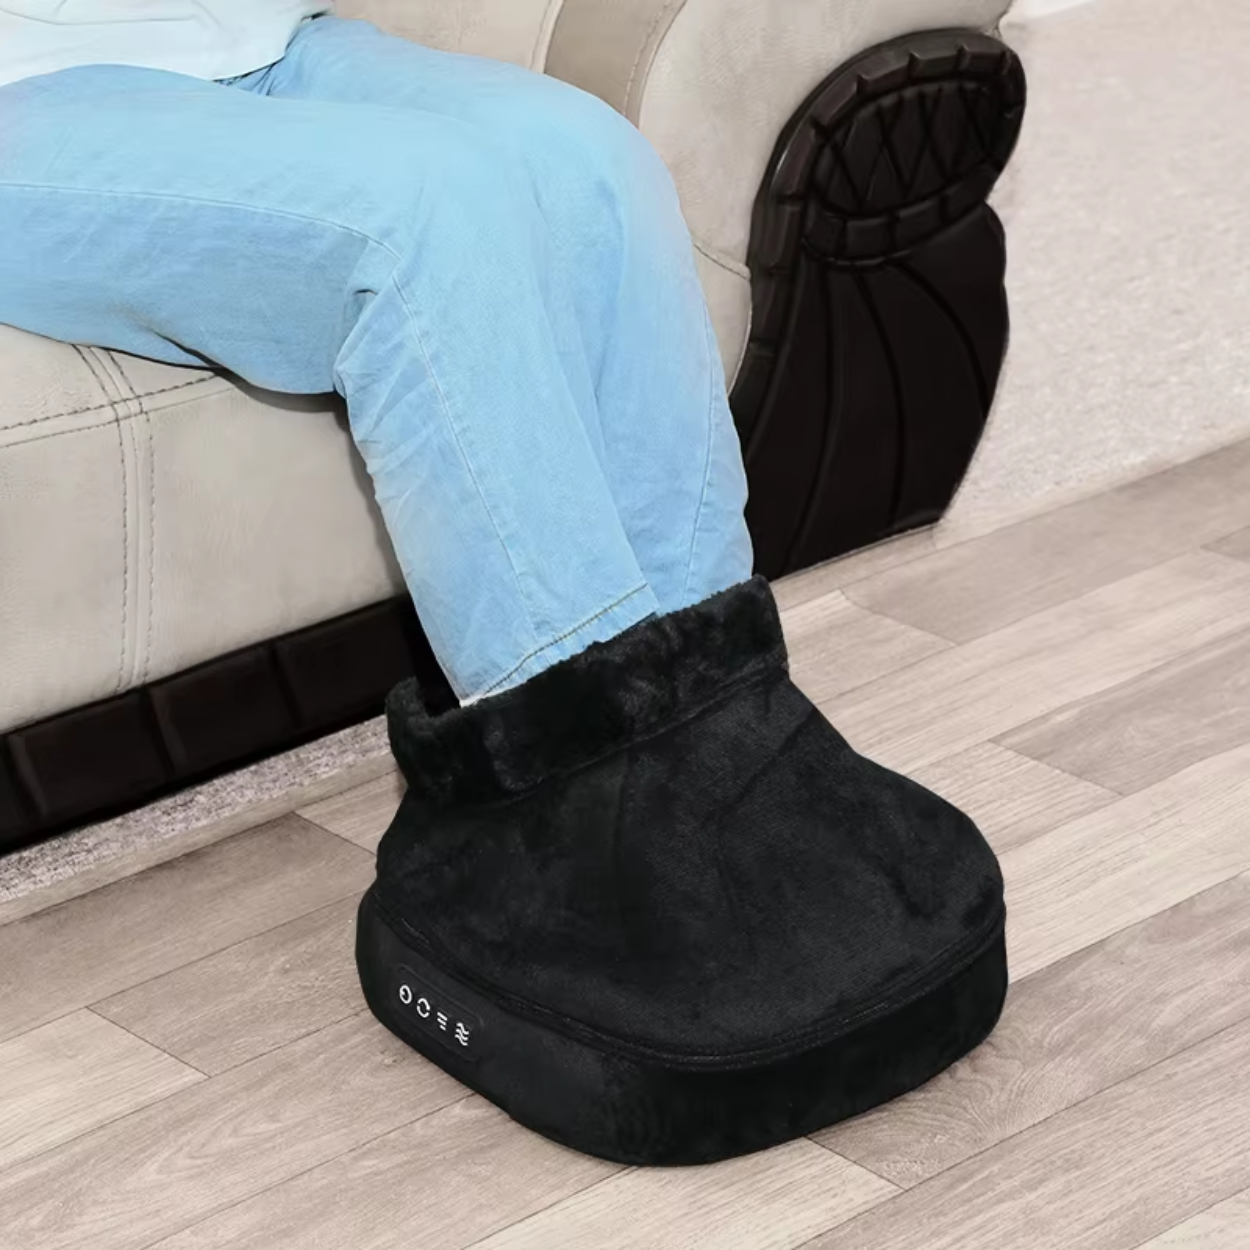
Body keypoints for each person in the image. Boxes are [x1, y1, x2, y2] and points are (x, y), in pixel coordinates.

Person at [0, 2, 1007, 1166]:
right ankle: (576, 798)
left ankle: (719, 744)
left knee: (593, 165)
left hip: (255, 38)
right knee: (419, 219)